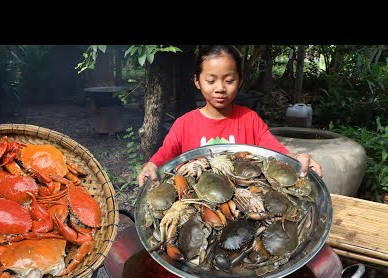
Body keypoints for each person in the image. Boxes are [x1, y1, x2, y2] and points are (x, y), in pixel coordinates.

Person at [137, 45, 323, 187]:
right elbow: (164, 154)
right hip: (196, 201)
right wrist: (152, 164)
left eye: (229, 80)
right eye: (211, 80)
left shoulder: (250, 120)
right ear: (197, 81)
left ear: (240, 81)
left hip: (245, 199)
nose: (220, 88)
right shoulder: (184, 124)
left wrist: (297, 158)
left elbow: (276, 152)